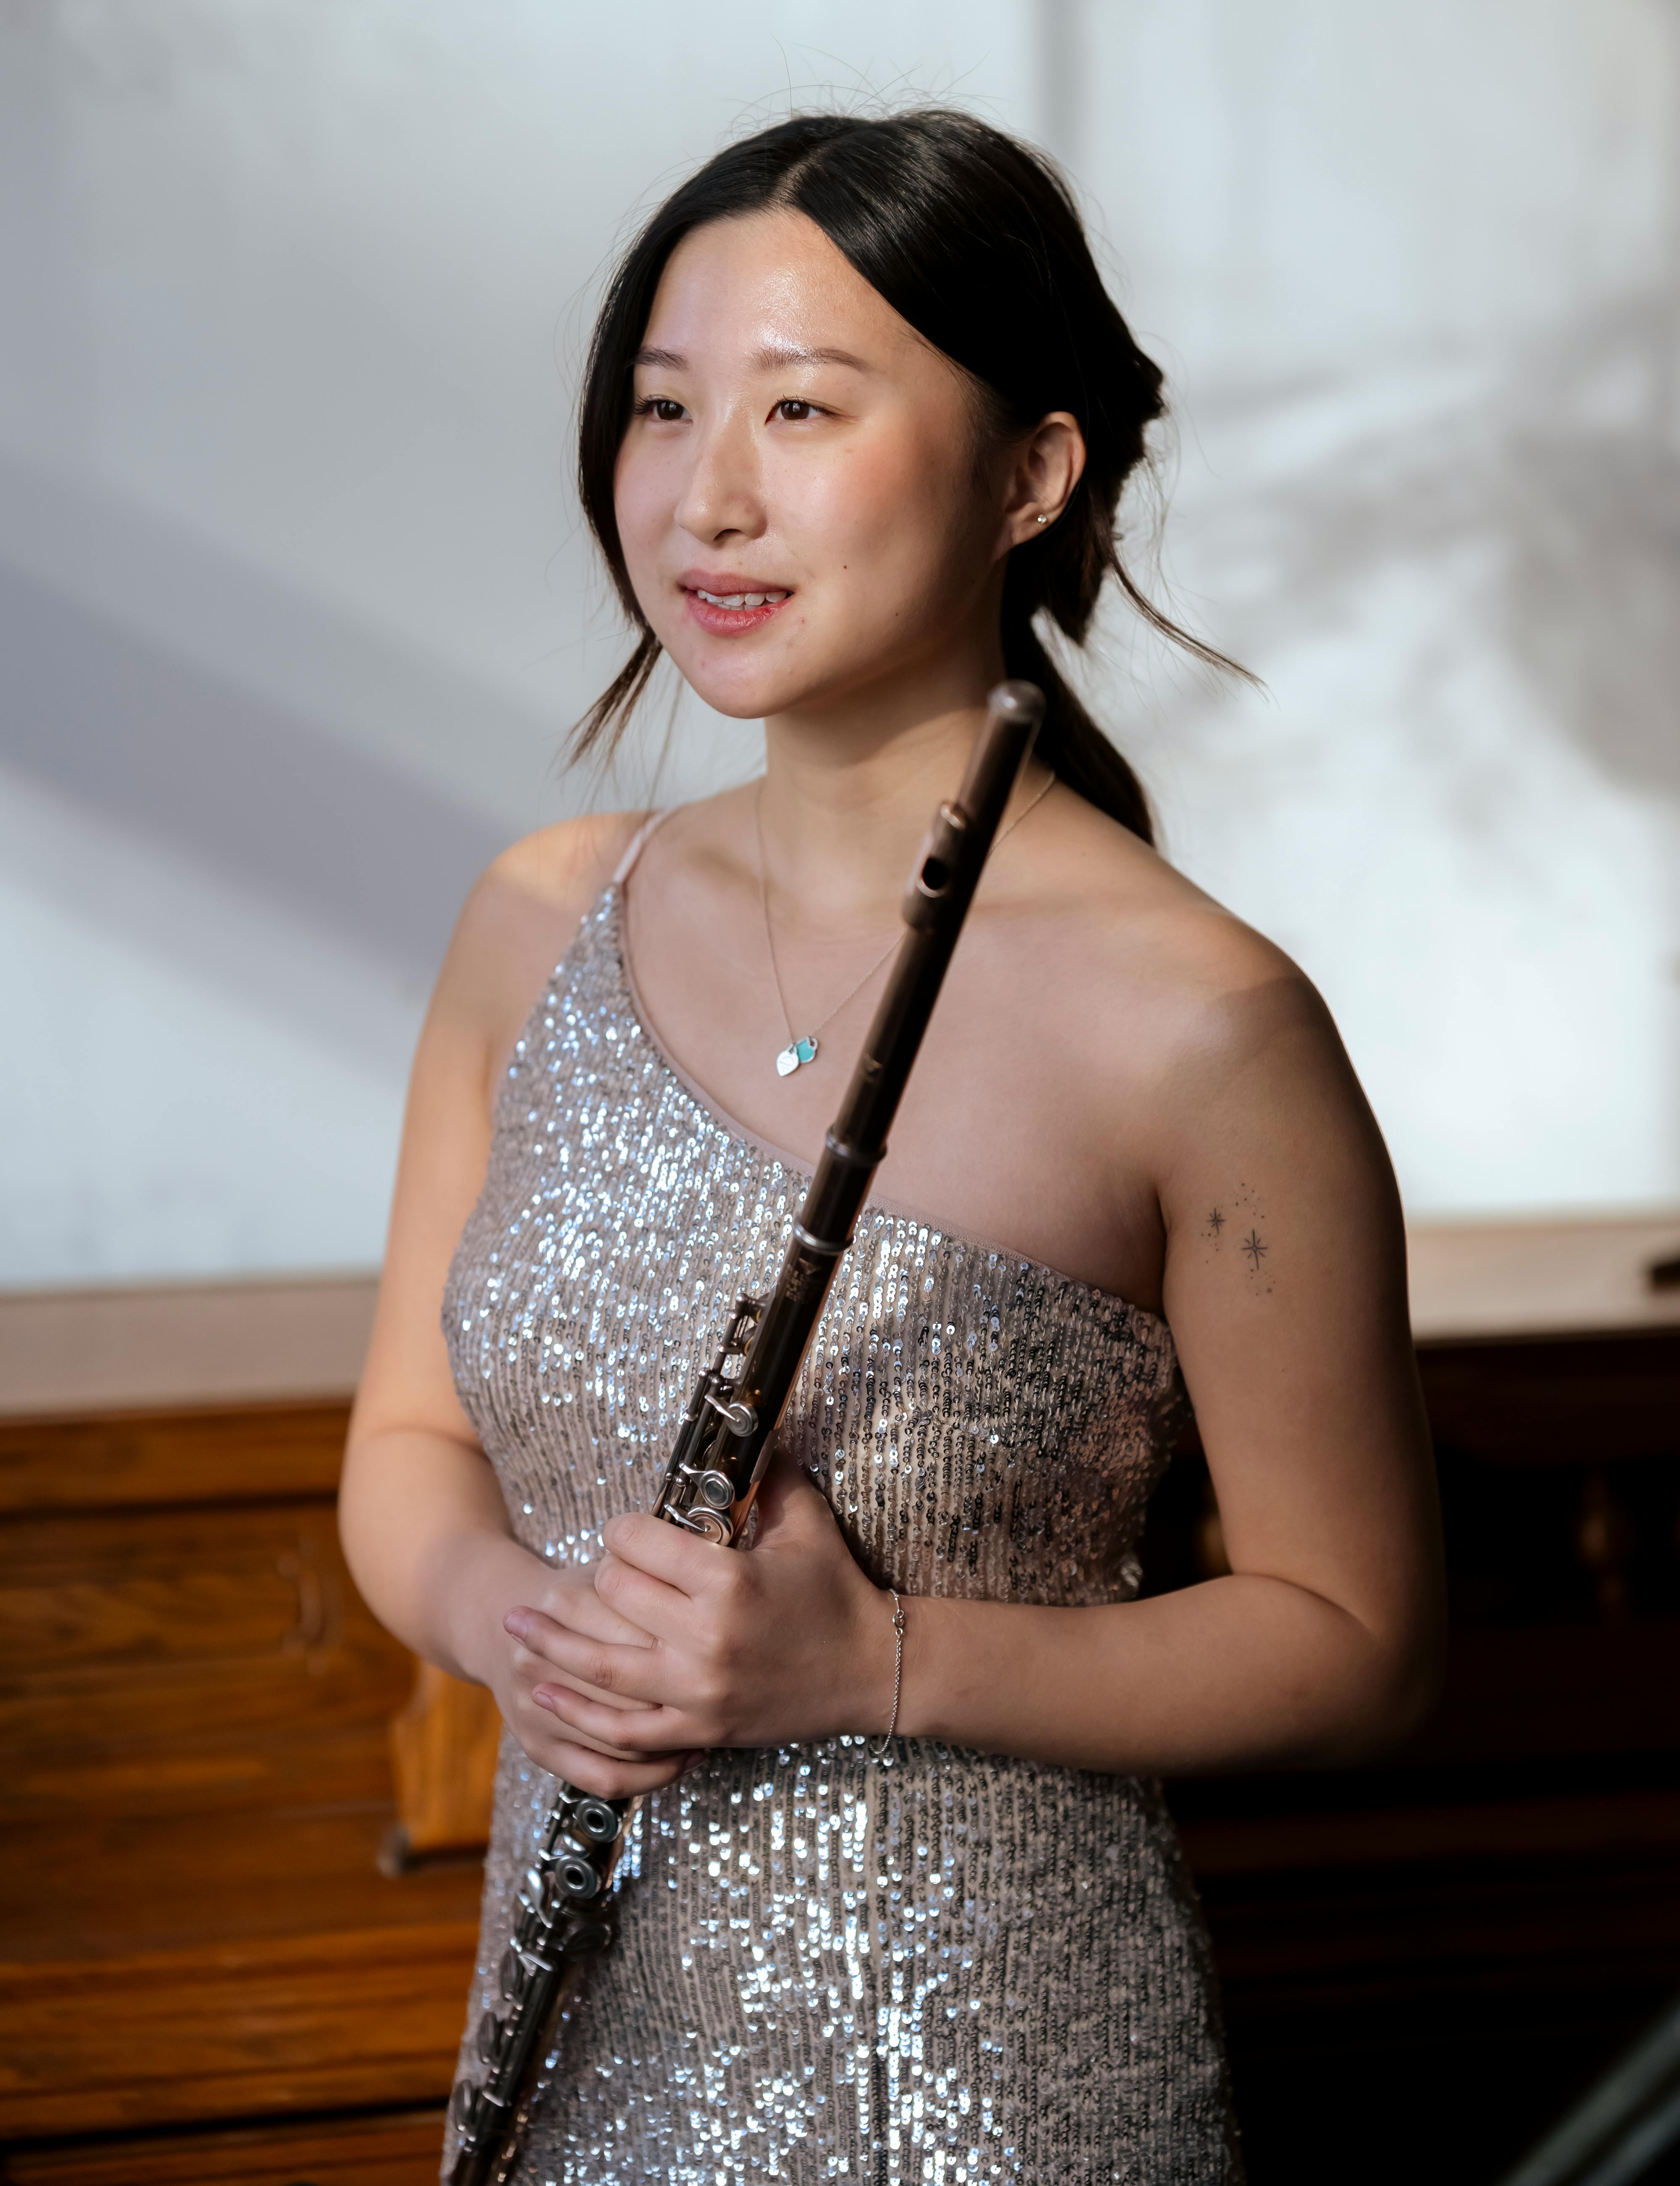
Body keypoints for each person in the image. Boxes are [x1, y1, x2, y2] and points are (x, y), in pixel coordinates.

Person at [339, 109, 1444, 2185]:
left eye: (802, 409)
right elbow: (405, 1447)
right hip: (580, 2062)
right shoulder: (531, 920)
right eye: (664, 412)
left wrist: (877, 1662)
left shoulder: (1205, 1026)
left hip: (994, 2091)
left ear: (1032, 474)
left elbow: (1358, 1643)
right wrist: (529, 1630)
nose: (709, 495)